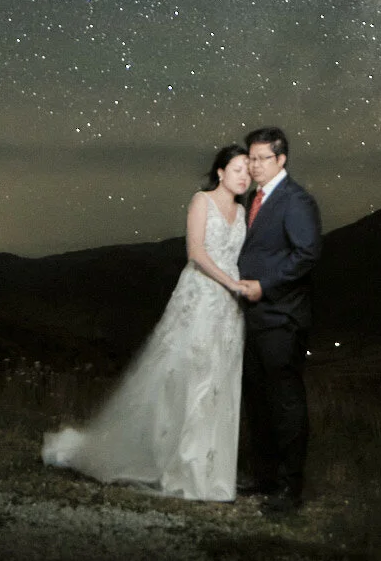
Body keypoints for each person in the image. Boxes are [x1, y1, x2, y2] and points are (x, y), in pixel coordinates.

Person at [42, 144, 253, 500]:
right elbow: (197, 253)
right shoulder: (201, 201)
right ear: (220, 172)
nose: (244, 176)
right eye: (237, 169)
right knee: (187, 378)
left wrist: (241, 287)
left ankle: (210, 471)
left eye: (248, 170)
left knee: (219, 382)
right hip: (201, 296)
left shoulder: (242, 212)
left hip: (228, 308)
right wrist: (231, 282)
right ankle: (182, 467)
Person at [235, 125, 322, 514]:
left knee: (285, 403)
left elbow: (305, 255)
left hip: (281, 318)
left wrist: (264, 286)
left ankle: (290, 488)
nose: (253, 166)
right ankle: (265, 478)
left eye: (262, 159)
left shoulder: (296, 200)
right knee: (258, 402)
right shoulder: (255, 197)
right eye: (250, 158)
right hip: (252, 319)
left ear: (281, 159)